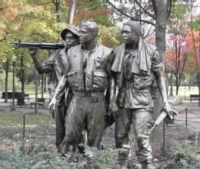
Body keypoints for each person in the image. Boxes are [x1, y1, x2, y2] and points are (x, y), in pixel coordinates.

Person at [109, 21, 173, 169]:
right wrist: (112, 100)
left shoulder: (151, 52)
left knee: (141, 135)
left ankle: (146, 164)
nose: (123, 35)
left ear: (136, 35)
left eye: (127, 32)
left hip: (143, 99)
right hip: (123, 98)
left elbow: (160, 77)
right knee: (120, 135)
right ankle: (122, 164)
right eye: (122, 32)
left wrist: (166, 101)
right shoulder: (118, 52)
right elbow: (112, 77)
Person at [49, 21, 113, 154]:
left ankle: (91, 163)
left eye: (84, 32)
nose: (80, 34)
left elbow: (113, 80)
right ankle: (69, 162)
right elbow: (66, 77)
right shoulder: (72, 51)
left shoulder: (107, 52)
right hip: (77, 99)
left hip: (97, 100)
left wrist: (112, 102)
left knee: (94, 138)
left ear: (93, 34)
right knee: (70, 134)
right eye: (80, 31)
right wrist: (55, 97)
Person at [29, 25, 80, 152]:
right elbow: (41, 69)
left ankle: (77, 153)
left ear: (78, 40)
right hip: (60, 97)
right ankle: (61, 153)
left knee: (75, 127)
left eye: (72, 38)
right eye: (66, 38)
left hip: (78, 97)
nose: (68, 41)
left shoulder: (83, 55)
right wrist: (34, 56)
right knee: (60, 128)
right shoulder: (58, 54)